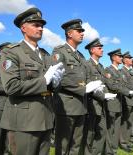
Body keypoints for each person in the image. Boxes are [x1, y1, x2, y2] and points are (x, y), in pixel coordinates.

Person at [0, 7, 64, 155]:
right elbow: (11, 87)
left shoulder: (45, 54)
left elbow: (50, 86)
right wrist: (44, 81)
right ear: (23, 27)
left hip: (45, 118)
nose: (40, 28)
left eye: (42, 25)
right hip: (23, 121)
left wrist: (55, 83)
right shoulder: (12, 52)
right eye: (36, 25)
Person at [52, 19, 103, 155]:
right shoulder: (59, 52)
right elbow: (59, 78)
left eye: (82, 31)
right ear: (69, 33)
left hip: (81, 106)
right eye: (79, 31)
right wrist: (83, 89)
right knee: (63, 145)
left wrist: (92, 85)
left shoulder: (80, 56)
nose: (82, 33)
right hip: (66, 107)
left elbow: (85, 76)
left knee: (76, 144)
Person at [83, 38, 116, 155]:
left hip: (101, 104)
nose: (102, 50)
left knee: (101, 132)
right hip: (91, 105)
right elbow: (87, 85)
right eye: (99, 48)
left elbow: (104, 83)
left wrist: (107, 94)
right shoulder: (86, 64)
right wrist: (103, 96)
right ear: (92, 50)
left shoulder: (101, 66)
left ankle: (96, 152)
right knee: (90, 134)